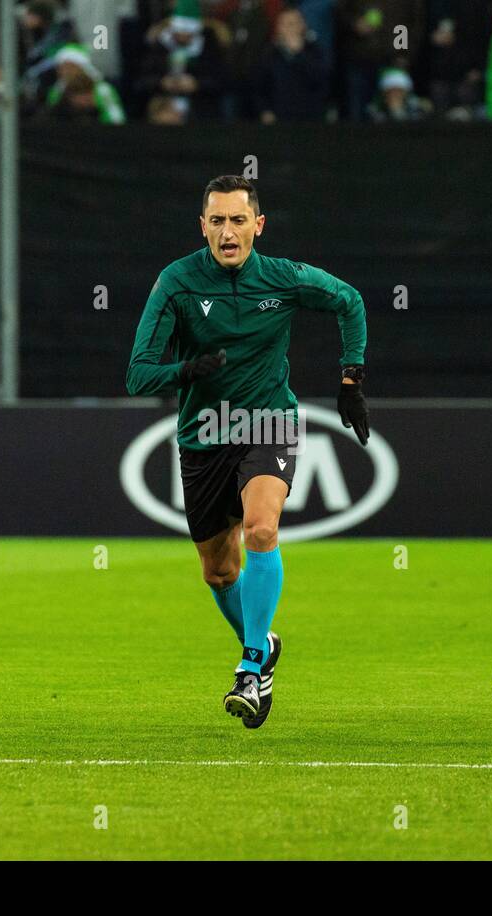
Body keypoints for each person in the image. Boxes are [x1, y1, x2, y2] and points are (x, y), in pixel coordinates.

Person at [126, 175, 369, 728]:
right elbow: (138, 375)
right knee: (218, 571)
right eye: (217, 221)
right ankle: (261, 642)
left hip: (268, 422)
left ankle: (252, 665)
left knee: (261, 528)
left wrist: (351, 377)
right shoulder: (177, 283)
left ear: (258, 226)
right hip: (204, 432)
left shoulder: (283, 278)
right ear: (203, 227)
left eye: (239, 220)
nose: (228, 232)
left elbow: (349, 300)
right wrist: (184, 370)